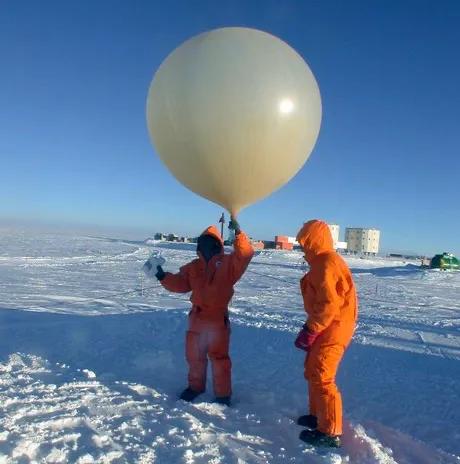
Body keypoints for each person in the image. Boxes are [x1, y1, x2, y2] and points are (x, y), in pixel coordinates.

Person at [155, 217, 254, 406]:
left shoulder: (228, 264)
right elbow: (181, 284)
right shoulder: (194, 266)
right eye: (203, 242)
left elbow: (245, 254)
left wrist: (239, 234)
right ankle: (195, 387)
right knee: (194, 357)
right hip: (197, 318)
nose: (206, 246)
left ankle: (223, 395)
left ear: (217, 245)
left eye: (210, 242)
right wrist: (162, 276)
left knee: (219, 359)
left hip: (217, 320)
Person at [294, 220, 358, 448]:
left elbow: (329, 305)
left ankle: (330, 431)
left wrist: (311, 328)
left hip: (333, 327)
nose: (302, 248)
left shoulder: (326, 264)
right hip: (327, 325)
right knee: (312, 370)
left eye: (304, 243)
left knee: (322, 374)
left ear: (314, 241)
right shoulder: (321, 263)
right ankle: (317, 415)